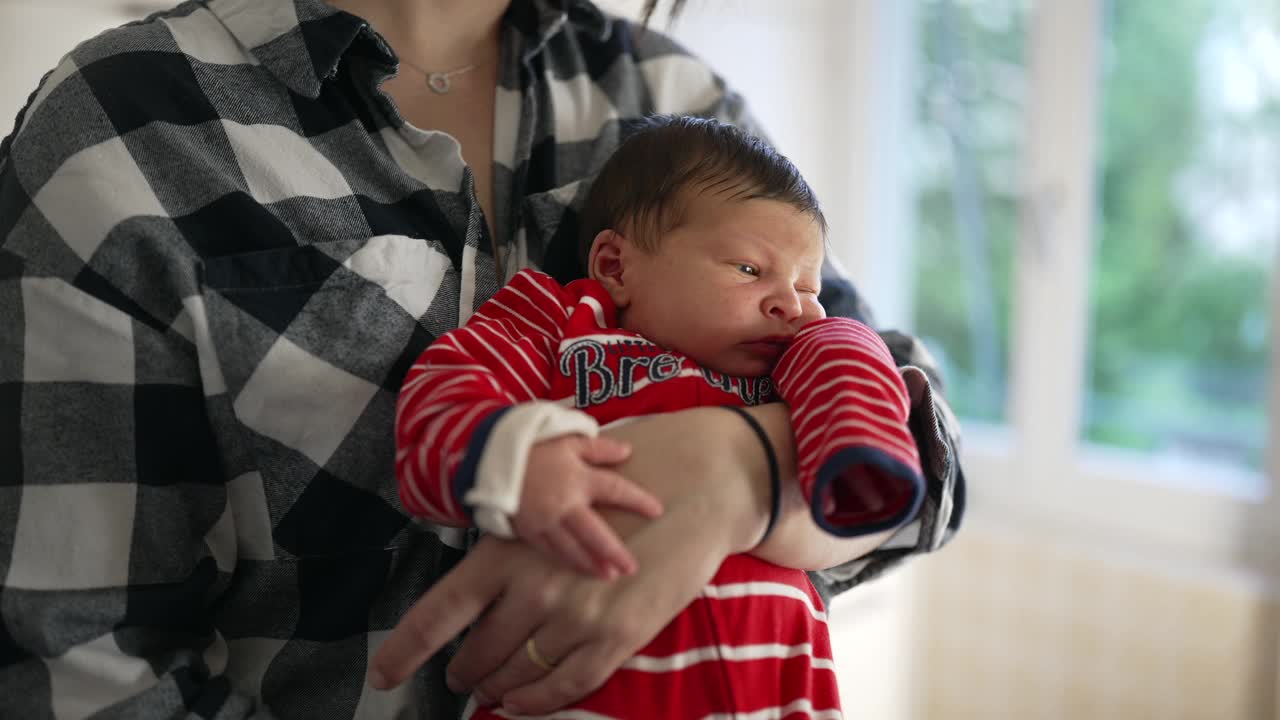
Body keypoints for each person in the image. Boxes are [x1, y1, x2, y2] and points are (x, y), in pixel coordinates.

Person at [0, 1, 965, 718]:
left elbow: (921, 460)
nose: (780, 298)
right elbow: (75, 662)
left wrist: (740, 472)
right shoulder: (127, 128)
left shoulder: (672, 99)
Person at [390, 115, 925, 719]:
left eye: (808, 284)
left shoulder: (796, 362)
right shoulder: (559, 323)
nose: (790, 303)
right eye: (750, 269)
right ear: (616, 267)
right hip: (572, 682)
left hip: (773, 689)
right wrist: (514, 457)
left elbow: (873, 403)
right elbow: (444, 392)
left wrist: (849, 360)